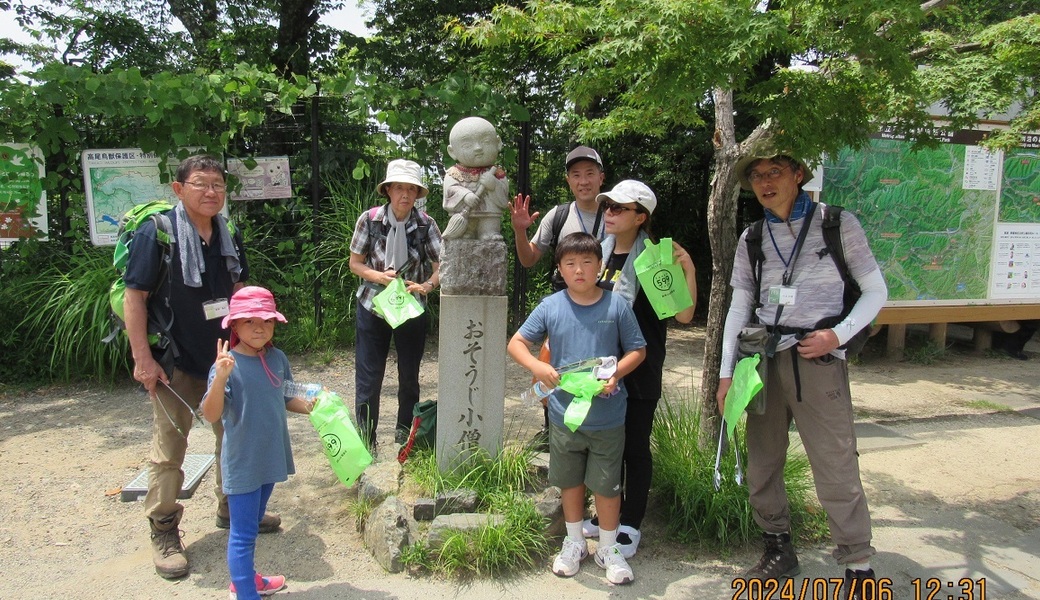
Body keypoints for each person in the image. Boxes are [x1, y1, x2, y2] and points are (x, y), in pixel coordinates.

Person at [716, 145, 888, 599]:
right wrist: (726, 373)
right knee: (763, 460)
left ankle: (858, 565)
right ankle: (777, 548)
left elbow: (875, 290)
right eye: (757, 176)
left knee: (834, 461)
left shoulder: (837, 223)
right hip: (762, 359)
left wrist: (838, 335)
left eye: (775, 171)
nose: (765, 182)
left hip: (818, 358)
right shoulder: (753, 236)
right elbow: (739, 306)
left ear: (797, 174)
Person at [123, 154, 279, 580]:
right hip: (175, 361)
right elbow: (134, 297)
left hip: (226, 356)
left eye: (218, 185)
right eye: (200, 183)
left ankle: (232, 508)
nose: (211, 192)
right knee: (170, 447)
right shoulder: (157, 233)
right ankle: (163, 530)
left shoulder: (228, 233)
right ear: (179, 189)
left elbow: (239, 291)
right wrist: (143, 359)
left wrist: (250, 345)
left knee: (234, 437)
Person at [507, 232, 647, 585]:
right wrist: (538, 367)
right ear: (560, 269)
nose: (579, 270)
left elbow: (638, 350)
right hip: (563, 415)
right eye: (570, 263)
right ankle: (574, 543)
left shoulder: (616, 305)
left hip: (607, 416)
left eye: (587, 262)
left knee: (608, 485)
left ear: (600, 265)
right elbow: (517, 343)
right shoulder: (551, 306)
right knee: (569, 481)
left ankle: (608, 548)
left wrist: (616, 373)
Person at [580, 180, 697, 559]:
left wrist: (688, 268)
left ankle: (630, 522)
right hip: (602, 369)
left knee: (634, 446)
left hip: (640, 369)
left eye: (619, 208)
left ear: (640, 217)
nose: (609, 212)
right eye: (607, 206)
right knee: (605, 445)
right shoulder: (600, 253)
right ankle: (607, 514)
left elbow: (684, 315)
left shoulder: (654, 260)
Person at [201, 286, 312, 600]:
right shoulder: (226, 365)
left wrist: (316, 406)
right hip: (243, 463)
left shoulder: (278, 358)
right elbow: (211, 413)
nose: (259, 327)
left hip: (271, 457)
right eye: (249, 321)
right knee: (242, 534)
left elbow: (287, 396)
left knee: (251, 524)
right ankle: (245, 592)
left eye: (266, 320)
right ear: (234, 326)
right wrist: (221, 378)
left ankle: (246, 580)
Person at [510, 146, 609, 441]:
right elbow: (529, 259)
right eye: (576, 175)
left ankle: (599, 433)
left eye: (589, 173)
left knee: (601, 371)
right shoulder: (559, 216)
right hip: (566, 307)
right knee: (555, 366)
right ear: (568, 180)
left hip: (604, 305)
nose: (583, 181)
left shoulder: (615, 213)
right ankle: (552, 428)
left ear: (601, 177)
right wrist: (519, 231)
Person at [349, 159, 442, 449]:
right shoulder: (370, 220)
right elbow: (355, 263)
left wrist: (427, 286)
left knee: (409, 376)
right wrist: (379, 276)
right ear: (388, 190)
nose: (405, 194)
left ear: (418, 194)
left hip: (411, 306)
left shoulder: (426, 224)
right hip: (373, 304)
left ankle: (405, 436)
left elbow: (442, 266)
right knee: (369, 376)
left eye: (411, 189)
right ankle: (366, 440)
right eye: (399, 187)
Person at [442, 116, 510, 240]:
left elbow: (504, 200)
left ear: (498, 143)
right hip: (464, 214)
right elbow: (450, 191)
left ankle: (489, 232)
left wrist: (494, 185)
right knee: (465, 232)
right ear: (452, 152)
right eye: (467, 145)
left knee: (490, 229)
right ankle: (465, 231)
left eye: (486, 141)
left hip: (489, 215)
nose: (478, 148)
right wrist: (465, 195)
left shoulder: (497, 174)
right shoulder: (453, 173)